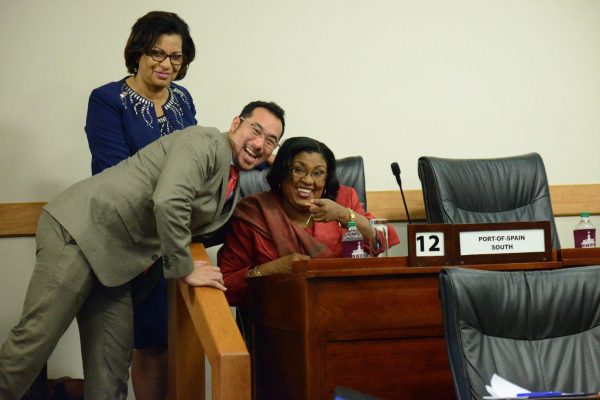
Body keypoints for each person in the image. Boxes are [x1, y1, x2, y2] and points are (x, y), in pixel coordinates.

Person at [0, 101, 285, 400]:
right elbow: (169, 201)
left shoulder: (233, 181)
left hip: (118, 261)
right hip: (83, 230)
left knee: (110, 367)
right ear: (236, 122)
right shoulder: (205, 141)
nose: (259, 143)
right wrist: (185, 267)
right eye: (256, 129)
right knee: (32, 345)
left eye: (270, 140)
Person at [84, 11, 197, 399]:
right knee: (129, 345)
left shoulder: (183, 100)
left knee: (165, 340)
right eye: (157, 53)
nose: (166, 64)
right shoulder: (107, 99)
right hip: (126, 238)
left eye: (175, 57)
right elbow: (113, 172)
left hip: (172, 234)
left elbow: (194, 163)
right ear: (138, 52)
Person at [218, 137, 399, 307]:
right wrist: (270, 270)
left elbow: (379, 242)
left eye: (318, 173)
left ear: (327, 178)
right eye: (299, 170)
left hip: (344, 309)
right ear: (282, 172)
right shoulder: (254, 212)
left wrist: (344, 215)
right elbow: (226, 285)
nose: (307, 180)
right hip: (278, 319)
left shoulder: (344, 200)